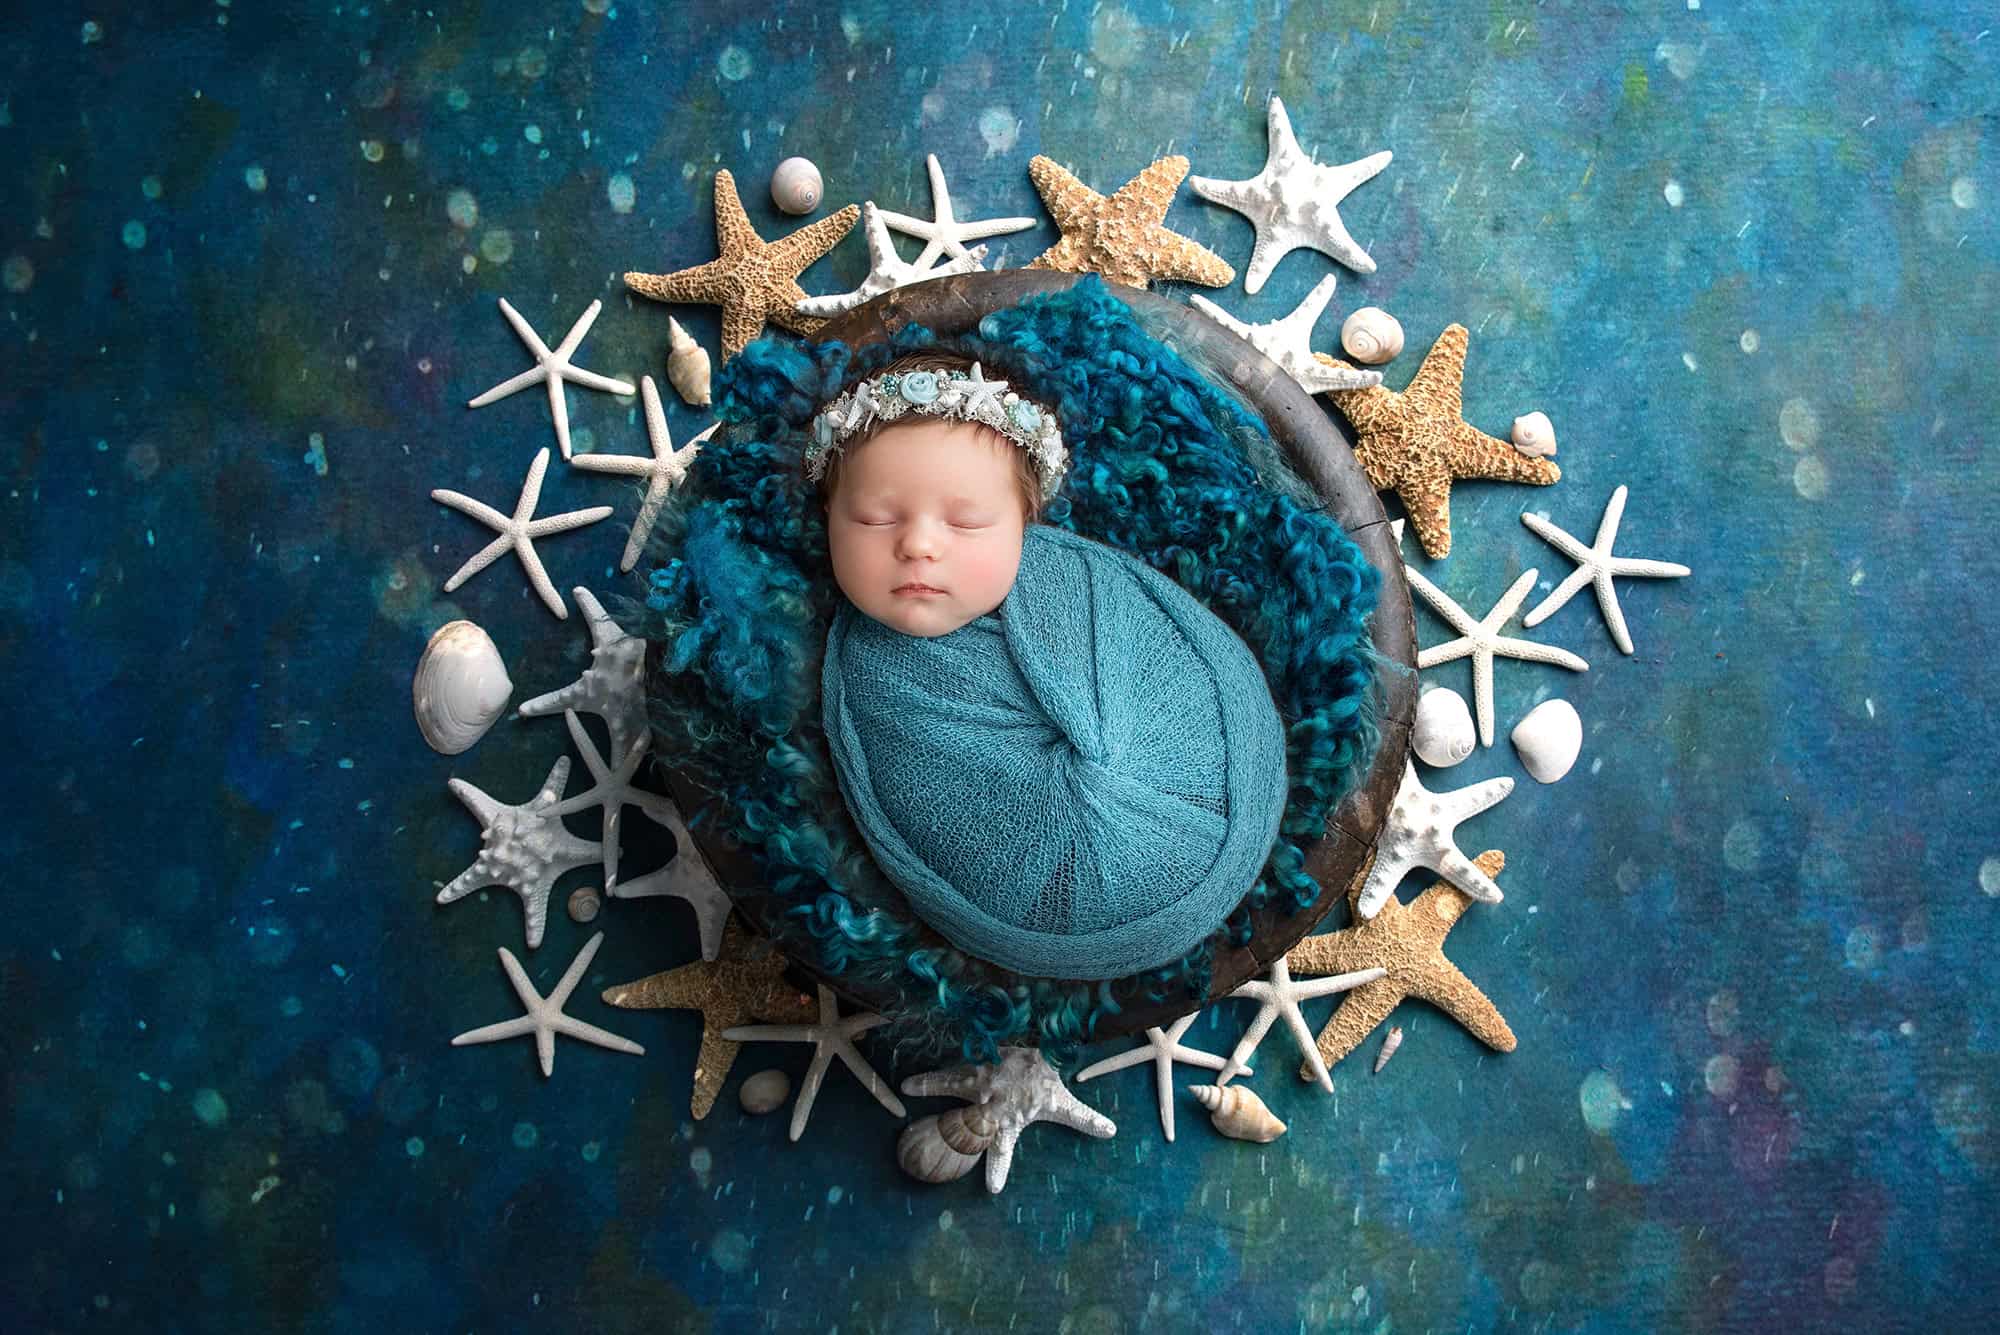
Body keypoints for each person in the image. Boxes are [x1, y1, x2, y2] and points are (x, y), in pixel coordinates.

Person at [809, 351, 1292, 981]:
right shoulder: (868, 676)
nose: (919, 545)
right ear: (828, 521)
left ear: (1025, 525)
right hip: (1028, 896)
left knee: (1144, 751)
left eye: (968, 521)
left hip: (1205, 796)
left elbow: (1171, 652)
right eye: (875, 518)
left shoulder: (1076, 582)